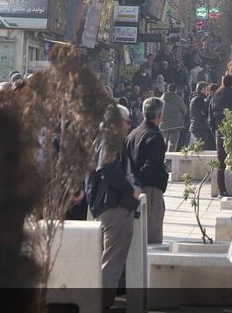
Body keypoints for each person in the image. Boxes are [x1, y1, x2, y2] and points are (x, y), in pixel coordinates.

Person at [93, 105, 141, 310]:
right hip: (115, 207)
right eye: (127, 122)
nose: (129, 126)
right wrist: (130, 189)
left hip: (110, 206)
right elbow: (107, 169)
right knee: (112, 263)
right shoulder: (109, 140)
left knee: (110, 261)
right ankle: (100, 305)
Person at [125, 97, 168, 244]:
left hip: (133, 189)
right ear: (160, 115)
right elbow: (151, 166)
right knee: (151, 237)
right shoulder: (155, 137)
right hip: (149, 190)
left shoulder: (132, 134)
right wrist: (138, 183)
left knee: (137, 237)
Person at [211, 74, 232, 197]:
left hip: (220, 134)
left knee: (221, 163)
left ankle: (221, 190)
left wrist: (216, 132)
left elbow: (211, 118)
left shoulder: (215, 97)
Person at [160, 83, 189, 150]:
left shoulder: (161, 99)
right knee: (173, 143)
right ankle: (170, 159)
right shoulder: (179, 99)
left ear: (167, 89)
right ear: (176, 90)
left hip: (163, 124)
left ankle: (162, 158)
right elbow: (185, 111)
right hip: (176, 124)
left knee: (163, 143)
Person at [190, 82, 215, 150]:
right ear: (203, 89)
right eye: (207, 89)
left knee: (197, 146)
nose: (208, 91)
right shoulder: (200, 99)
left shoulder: (194, 98)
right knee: (201, 148)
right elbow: (205, 112)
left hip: (196, 124)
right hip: (200, 126)